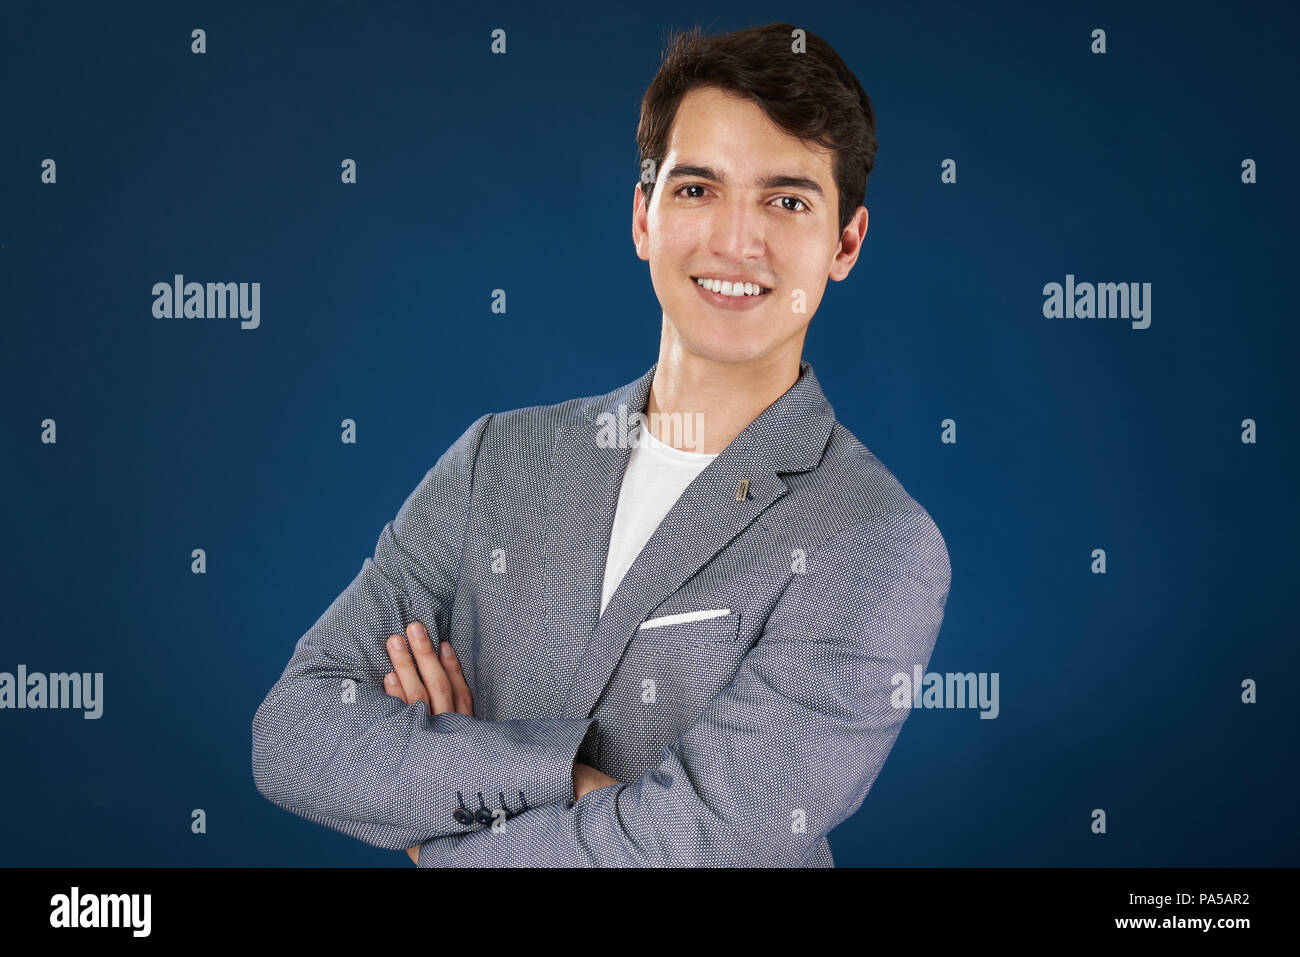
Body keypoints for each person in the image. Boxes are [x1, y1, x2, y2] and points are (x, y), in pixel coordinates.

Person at [252, 21, 951, 867]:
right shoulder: (495, 462)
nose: (736, 240)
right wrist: (562, 776)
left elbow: (711, 846)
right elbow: (293, 731)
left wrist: (435, 820)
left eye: (787, 200)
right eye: (697, 190)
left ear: (846, 242)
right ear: (643, 218)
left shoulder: (876, 540)